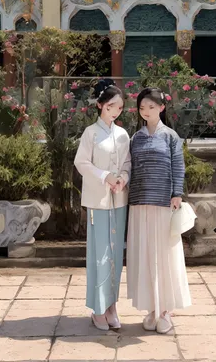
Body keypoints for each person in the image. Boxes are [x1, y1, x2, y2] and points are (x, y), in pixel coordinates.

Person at [126, 86, 191, 334]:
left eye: (151, 107)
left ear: (162, 108)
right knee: (145, 256)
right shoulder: (136, 138)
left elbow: (178, 166)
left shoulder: (171, 136)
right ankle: (151, 308)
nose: (146, 111)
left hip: (164, 203)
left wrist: (177, 193)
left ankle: (165, 310)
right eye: (142, 108)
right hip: (140, 203)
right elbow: (129, 168)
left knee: (164, 257)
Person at [73, 79, 131, 331]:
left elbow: (128, 162)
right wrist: (104, 176)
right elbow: (81, 163)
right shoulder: (91, 133)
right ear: (100, 105)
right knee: (100, 254)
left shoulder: (122, 134)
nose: (115, 112)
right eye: (111, 107)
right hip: (98, 200)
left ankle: (112, 306)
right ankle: (97, 308)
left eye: (119, 108)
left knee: (116, 255)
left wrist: (122, 178)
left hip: (118, 199)